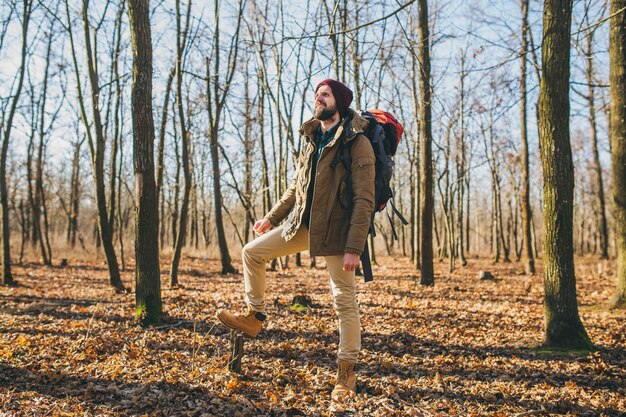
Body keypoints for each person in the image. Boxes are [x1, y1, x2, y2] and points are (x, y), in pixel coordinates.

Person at [217, 79, 375, 399]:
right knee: (252, 252)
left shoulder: (356, 143)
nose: (318, 98)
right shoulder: (311, 138)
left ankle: (346, 373)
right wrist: (271, 218)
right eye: (316, 94)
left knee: (343, 301)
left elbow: (364, 200)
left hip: (338, 233)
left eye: (325, 94)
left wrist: (354, 246)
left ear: (339, 103)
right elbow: (296, 188)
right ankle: (254, 316)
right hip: (302, 225)